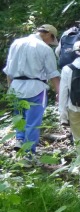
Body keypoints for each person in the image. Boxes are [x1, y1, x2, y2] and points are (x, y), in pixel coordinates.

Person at [2, 24, 61, 153]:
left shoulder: (16, 43)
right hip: (36, 87)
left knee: (20, 116)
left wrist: (9, 88)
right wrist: (59, 93)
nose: (51, 43)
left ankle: (20, 139)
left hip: (16, 86)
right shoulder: (45, 48)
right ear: (48, 34)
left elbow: (9, 70)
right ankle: (29, 155)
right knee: (33, 122)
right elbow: (53, 74)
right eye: (52, 39)